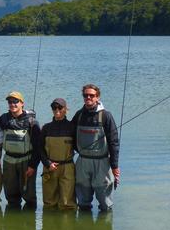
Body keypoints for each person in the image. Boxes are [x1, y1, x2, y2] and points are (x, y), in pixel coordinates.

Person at [71, 84, 120, 212]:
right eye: (85, 95)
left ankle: (104, 229)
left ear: (97, 97)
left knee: (105, 203)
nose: (88, 97)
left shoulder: (106, 116)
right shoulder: (79, 115)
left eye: (91, 95)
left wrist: (115, 166)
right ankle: (84, 228)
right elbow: (70, 136)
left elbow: (114, 142)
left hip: (102, 163)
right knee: (83, 202)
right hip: (83, 162)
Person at [0, 91, 41, 208]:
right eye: (10, 102)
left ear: (22, 103)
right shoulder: (3, 119)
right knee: (11, 195)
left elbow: (38, 147)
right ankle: (11, 222)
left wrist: (33, 166)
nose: (12, 104)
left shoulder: (32, 122)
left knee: (29, 196)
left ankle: (29, 220)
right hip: (9, 160)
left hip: (26, 161)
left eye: (15, 101)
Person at [40, 98, 77, 210]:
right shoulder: (46, 128)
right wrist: (47, 163)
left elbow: (79, 147)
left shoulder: (72, 127)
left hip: (67, 168)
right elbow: (40, 149)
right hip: (50, 168)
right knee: (49, 203)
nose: (57, 110)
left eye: (60, 107)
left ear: (66, 109)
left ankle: (67, 226)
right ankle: (49, 226)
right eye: (54, 108)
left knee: (67, 204)